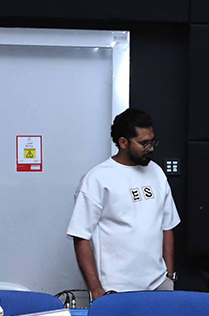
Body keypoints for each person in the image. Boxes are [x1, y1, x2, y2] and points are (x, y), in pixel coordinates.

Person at [67, 108, 178, 299]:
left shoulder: (157, 172)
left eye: (153, 142)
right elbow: (80, 236)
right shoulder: (97, 179)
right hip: (116, 288)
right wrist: (95, 288)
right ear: (123, 142)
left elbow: (167, 226)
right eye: (144, 143)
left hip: (159, 284)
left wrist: (169, 276)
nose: (151, 148)